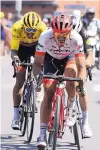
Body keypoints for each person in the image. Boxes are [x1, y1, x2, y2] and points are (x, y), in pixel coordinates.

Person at [33, 14, 92, 148]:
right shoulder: (45, 37)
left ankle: (71, 108)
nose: (60, 37)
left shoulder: (76, 39)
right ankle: (42, 134)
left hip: (69, 58)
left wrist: (81, 82)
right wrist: (38, 78)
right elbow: (37, 63)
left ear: (70, 32)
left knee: (72, 77)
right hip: (50, 59)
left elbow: (81, 66)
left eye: (64, 34)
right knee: (48, 94)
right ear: (52, 31)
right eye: (57, 33)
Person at [11, 12, 47, 130]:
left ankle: (38, 89)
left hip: (37, 47)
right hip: (22, 48)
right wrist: (15, 60)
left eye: (33, 30)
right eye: (28, 30)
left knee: (40, 71)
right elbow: (14, 51)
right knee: (20, 80)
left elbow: (45, 51)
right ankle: (16, 116)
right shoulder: (17, 27)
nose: (31, 33)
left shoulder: (43, 28)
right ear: (23, 27)